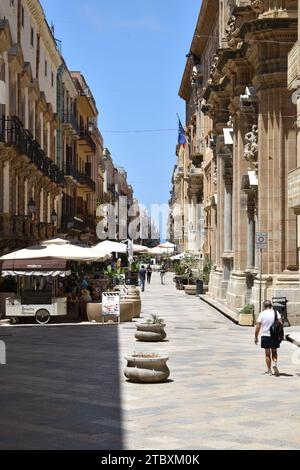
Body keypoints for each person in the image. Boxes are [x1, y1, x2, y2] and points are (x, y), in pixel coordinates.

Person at [254, 300, 282, 376]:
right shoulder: (276, 313)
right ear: (271, 306)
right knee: (274, 351)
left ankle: (269, 370)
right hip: (274, 336)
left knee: (267, 354)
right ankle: (275, 363)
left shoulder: (262, 314)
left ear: (264, 306)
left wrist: (256, 336)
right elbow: (280, 323)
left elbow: (258, 326)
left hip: (265, 335)